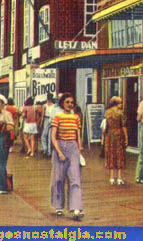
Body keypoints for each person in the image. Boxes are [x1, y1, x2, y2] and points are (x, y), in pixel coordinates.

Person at [50, 93, 84, 221]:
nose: (70, 104)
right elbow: (53, 136)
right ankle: (58, 206)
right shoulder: (58, 117)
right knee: (58, 178)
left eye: (72, 102)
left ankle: (76, 208)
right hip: (60, 145)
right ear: (62, 103)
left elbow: (78, 134)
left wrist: (80, 149)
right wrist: (59, 152)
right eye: (67, 102)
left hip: (73, 147)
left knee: (75, 178)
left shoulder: (76, 117)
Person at [103, 96, 128, 185]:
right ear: (117, 104)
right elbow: (123, 126)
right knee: (120, 154)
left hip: (109, 135)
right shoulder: (121, 113)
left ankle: (111, 177)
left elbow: (105, 127)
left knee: (110, 154)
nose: (121, 104)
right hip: (118, 134)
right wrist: (126, 137)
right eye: (120, 103)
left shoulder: (107, 113)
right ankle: (119, 178)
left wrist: (103, 138)